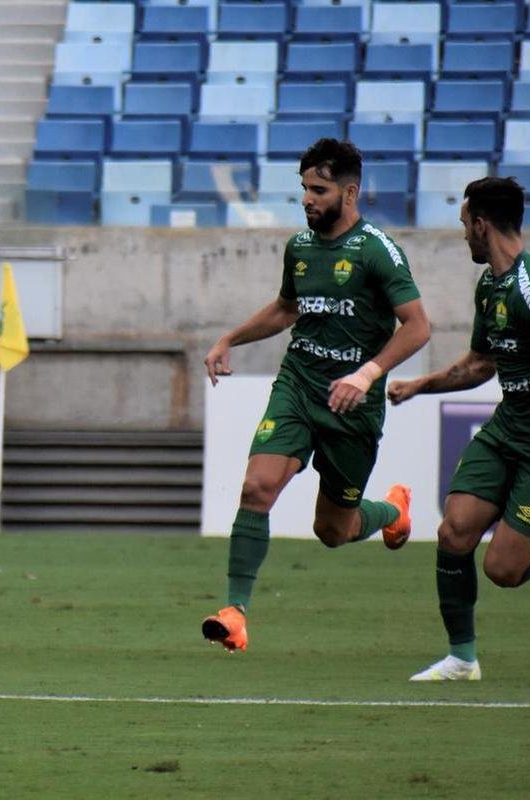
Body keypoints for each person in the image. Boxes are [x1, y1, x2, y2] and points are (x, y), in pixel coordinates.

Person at [200, 138, 431, 652]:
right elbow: (287, 309)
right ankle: (235, 612)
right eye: (304, 188)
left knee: (333, 530)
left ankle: (392, 511)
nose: (307, 199)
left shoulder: (377, 251)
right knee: (257, 488)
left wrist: (367, 374)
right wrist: (229, 338)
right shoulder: (300, 248)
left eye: (318, 190)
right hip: (299, 385)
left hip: (353, 405)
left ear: (350, 193)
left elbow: (418, 327)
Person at [387, 176, 530, 681]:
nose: (463, 236)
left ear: (482, 225)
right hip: (509, 427)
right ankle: (462, 659)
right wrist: (421, 384)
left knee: (504, 570)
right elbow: (480, 365)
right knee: (454, 530)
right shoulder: (491, 286)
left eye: (465, 225)